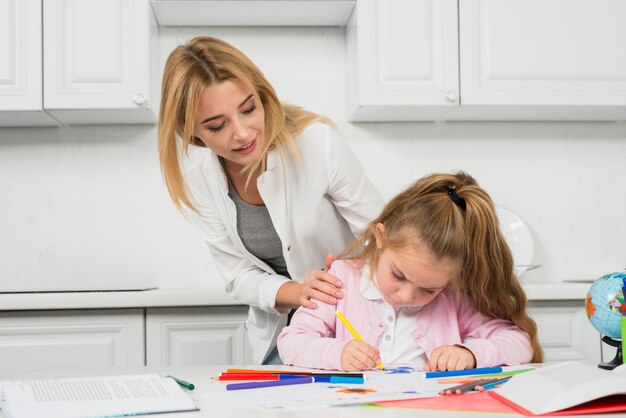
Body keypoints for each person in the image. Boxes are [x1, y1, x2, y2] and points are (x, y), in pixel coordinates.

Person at [157, 36, 384, 365]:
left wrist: (344, 279)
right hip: (282, 331)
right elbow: (238, 276)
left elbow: (381, 237)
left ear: (262, 96)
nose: (243, 133)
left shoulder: (316, 143)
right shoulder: (199, 180)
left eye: (248, 109)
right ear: (191, 132)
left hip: (350, 320)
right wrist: (299, 291)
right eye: (217, 125)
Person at [277, 171, 543, 371]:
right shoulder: (341, 280)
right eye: (398, 276)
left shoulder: (451, 296)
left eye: (428, 289)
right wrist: (337, 353)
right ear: (381, 237)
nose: (405, 296)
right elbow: (291, 342)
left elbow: (519, 343)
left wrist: (472, 354)